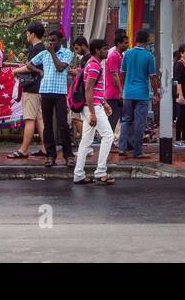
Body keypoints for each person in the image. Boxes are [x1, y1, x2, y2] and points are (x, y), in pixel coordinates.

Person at [24, 29, 73, 167]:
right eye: (49, 40)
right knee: (47, 125)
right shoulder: (43, 54)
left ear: (60, 41)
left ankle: (68, 155)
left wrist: (52, 53)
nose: (51, 43)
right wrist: (39, 71)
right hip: (45, 91)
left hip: (59, 93)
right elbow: (29, 64)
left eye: (54, 40)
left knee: (63, 125)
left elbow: (60, 68)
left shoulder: (67, 53)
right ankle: (51, 155)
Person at [72, 38, 116, 185]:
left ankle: (79, 174)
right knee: (108, 136)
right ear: (97, 50)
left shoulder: (91, 63)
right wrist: (93, 112)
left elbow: (93, 90)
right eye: (104, 49)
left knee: (87, 140)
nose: (106, 52)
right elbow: (88, 90)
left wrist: (104, 103)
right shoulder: (95, 66)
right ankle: (101, 172)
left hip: (93, 106)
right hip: (92, 107)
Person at [8, 21, 45, 160]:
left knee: (29, 119)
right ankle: (45, 147)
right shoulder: (42, 48)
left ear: (33, 34)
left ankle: (23, 150)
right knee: (39, 119)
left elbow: (30, 67)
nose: (27, 36)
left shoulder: (36, 49)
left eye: (28, 33)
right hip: (39, 87)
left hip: (31, 88)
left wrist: (16, 70)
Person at [120, 29, 158, 159]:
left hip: (128, 93)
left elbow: (122, 73)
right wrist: (156, 93)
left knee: (126, 120)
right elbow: (152, 77)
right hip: (142, 93)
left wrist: (123, 89)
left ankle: (122, 147)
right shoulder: (149, 56)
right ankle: (137, 151)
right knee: (139, 123)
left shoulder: (127, 54)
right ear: (147, 41)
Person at [104, 29, 128, 139]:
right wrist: (121, 92)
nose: (127, 45)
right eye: (125, 43)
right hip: (113, 93)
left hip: (117, 92)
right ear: (119, 43)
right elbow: (115, 76)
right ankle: (108, 141)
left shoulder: (121, 56)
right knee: (112, 119)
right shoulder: (113, 56)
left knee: (117, 118)